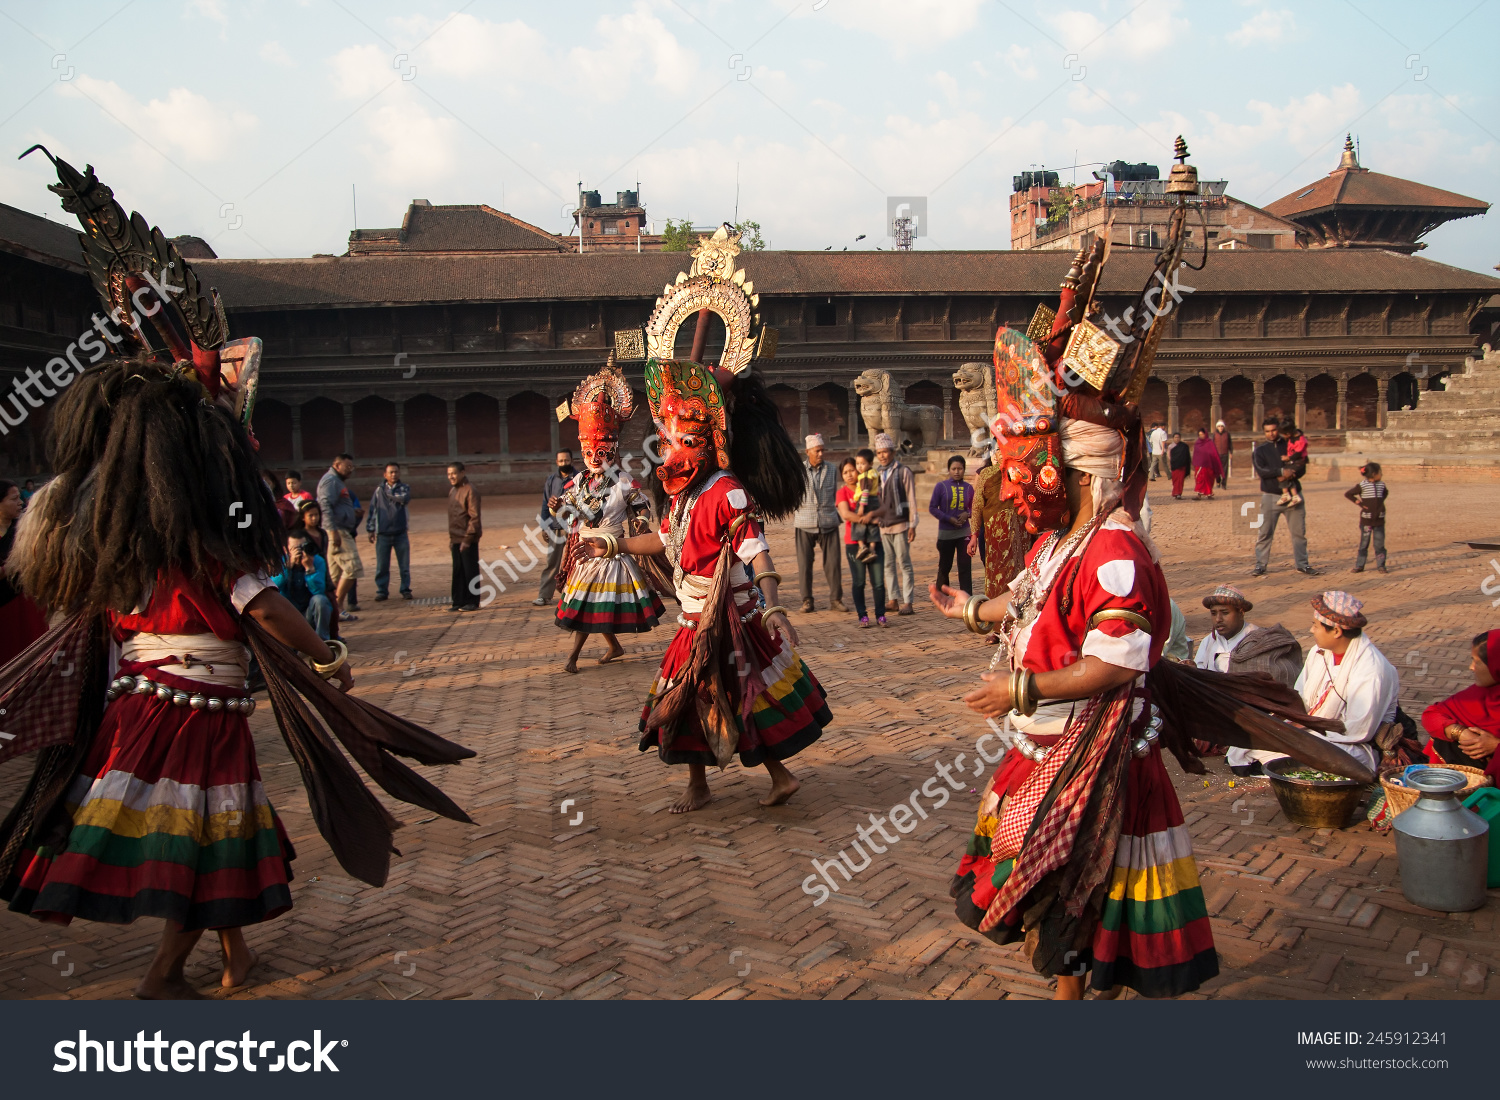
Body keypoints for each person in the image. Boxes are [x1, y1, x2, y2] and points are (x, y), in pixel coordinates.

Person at [0, 152, 473, 1000]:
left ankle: (237, 955)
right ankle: (162, 975)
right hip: (195, 711)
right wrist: (324, 654)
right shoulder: (212, 548)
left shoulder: (127, 544)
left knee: (216, 832)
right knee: (198, 839)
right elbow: (266, 615)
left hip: (145, 703)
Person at [931, 415, 1217, 1000]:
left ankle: (1079, 996)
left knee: (1083, 883)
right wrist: (969, 611)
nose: (1012, 491)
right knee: (1061, 880)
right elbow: (1026, 596)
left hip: (1094, 753)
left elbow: (1117, 662)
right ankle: (1080, 990)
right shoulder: (1062, 541)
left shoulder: (1114, 550)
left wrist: (1018, 689)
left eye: (1028, 475)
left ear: (1080, 478)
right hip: (1048, 748)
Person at [551, 354, 664, 672]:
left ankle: (573, 657)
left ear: (613, 452)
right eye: (588, 453)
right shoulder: (577, 481)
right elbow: (571, 514)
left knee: (588, 608)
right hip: (584, 551)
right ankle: (613, 646)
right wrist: (560, 507)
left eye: (601, 453)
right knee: (595, 608)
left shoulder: (624, 482)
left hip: (611, 553)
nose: (594, 458)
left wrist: (641, 527)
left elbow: (640, 508)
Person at [1194, 584, 1304, 775]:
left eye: (1225, 613)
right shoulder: (1208, 642)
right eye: (1213, 613)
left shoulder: (1257, 641)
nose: (1218, 619)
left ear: (1241, 612)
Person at [1294, 591, 1399, 775]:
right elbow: (1300, 695)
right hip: (1312, 732)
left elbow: (1358, 731)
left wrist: (1306, 732)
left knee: (1313, 751)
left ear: (1336, 631)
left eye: (1315, 625)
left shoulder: (1372, 669)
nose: (1311, 630)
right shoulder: (1317, 653)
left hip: (1353, 746)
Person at [1421, 630, 1500, 781]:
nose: (1471, 667)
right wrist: (1460, 732)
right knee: (1445, 741)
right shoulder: (1479, 695)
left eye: (1477, 662)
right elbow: (1432, 715)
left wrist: (1496, 746)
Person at [1251, 416, 1319, 577]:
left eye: (1274, 430)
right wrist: (1281, 472)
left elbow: (1302, 464)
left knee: (1299, 533)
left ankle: (1302, 564)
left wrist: (1291, 474)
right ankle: (1260, 565)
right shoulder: (1260, 450)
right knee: (1265, 533)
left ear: (1279, 430)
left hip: (1293, 495)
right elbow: (1261, 471)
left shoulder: (1290, 444)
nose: (1271, 434)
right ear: (1264, 432)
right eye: (1267, 431)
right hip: (1270, 496)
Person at [792, 433, 845, 614]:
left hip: (828, 520)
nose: (821, 454)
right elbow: (793, 496)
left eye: (822, 450)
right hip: (804, 521)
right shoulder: (798, 471)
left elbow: (834, 494)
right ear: (808, 452)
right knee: (804, 564)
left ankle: (836, 599)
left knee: (833, 563)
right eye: (817, 451)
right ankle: (807, 600)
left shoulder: (831, 469)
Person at [0, 478, 49, 666]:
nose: (20, 502)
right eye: (13, 499)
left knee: (32, 659)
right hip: (4, 607)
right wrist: (11, 567)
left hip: (28, 603)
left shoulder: (23, 530)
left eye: (20, 497)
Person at [836, 457, 887, 627]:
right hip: (853, 543)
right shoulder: (842, 492)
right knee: (859, 581)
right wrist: (871, 520)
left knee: (878, 581)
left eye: (852, 470)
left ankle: (880, 615)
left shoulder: (870, 488)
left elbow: (883, 508)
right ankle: (862, 616)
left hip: (875, 541)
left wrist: (871, 515)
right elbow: (846, 514)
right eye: (845, 472)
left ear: (858, 470)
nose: (849, 474)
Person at [317, 454, 364, 622]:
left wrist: (352, 513)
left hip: (339, 530)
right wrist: (332, 531)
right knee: (353, 568)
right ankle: (338, 606)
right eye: (347, 466)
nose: (350, 470)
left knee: (334, 575)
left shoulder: (337, 481)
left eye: (352, 467)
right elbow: (324, 506)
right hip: (338, 532)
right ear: (337, 465)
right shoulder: (330, 481)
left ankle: (332, 610)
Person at [875, 433, 918, 615]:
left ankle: (908, 601)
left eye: (885, 452)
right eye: (879, 453)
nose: (883, 456)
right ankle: (893, 599)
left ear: (892, 452)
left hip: (900, 524)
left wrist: (912, 524)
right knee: (888, 564)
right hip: (884, 525)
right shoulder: (876, 474)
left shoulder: (903, 472)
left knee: (904, 564)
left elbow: (911, 498)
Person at [533, 450, 576, 607]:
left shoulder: (579, 478)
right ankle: (544, 595)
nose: (564, 463)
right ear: (557, 462)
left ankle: (574, 596)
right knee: (552, 562)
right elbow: (546, 504)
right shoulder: (552, 480)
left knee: (575, 563)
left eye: (567, 460)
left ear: (572, 460)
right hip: (556, 528)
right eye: (561, 461)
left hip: (574, 528)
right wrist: (544, 527)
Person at [270, 535, 335, 640]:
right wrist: (288, 568)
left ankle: (322, 641)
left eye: (302, 547)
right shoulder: (280, 562)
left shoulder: (316, 560)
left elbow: (318, 591)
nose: (300, 551)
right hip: (287, 614)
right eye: (295, 548)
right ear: (286, 549)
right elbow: (274, 587)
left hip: (308, 613)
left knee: (320, 600)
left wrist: (309, 569)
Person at [367, 462, 413, 600]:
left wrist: (388, 494)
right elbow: (373, 510)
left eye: (396, 472)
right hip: (383, 534)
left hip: (400, 533)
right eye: (391, 472)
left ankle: (405, 589)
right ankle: (382, 591)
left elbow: (404, 498)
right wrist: (370, 529)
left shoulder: (404, 488)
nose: (394, 475)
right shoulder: (378, 491)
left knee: (404, 565)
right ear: (385, 474)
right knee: (382, 566)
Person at [930, 454, 974, 596]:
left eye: (960, 468)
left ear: (964, 469)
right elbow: (932, 508)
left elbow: (975, 508)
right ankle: (942, 594)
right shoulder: (941, 486)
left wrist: (967, 513)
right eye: (954, 468)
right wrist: (948, 519)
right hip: (946, 533)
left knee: (965, 566)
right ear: (949, 470)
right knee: (945, 566)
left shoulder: (969, 488)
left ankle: (967, 595)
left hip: (964, 533)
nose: (957, 471)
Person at [447, 461, 482, 613]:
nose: (451, 477)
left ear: (462, 473)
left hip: (467, 538)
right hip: (456, 538)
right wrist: (452, 540)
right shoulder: (452, 492)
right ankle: (458, 600)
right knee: (458, 571)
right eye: (449, 474)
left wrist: (467, 539)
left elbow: (474, 518)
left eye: (454, 473)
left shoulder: (470, 490)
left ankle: (472, 601)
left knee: (470, 571)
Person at [1345, 461, 1389, 574]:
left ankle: (1381, 565)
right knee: (1364, 544)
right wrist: (1359, 503)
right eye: (1380, 472)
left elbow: (1385, 494)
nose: (1382, 474)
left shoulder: (1381, 485)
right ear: (1374, 474)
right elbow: (1348, 494)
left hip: (1379, 520)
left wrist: (1379, 506)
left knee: (1379, 544)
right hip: (1366, 521)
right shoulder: (1362, 485)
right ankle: (1360, 565)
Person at [849, 448, 882, 564]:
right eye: (857, 463)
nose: (859, 467)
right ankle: (872, 549)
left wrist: (862, 506)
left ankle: (862, 546)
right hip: (874, 500)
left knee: (858, 523)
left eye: (863, 464)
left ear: (870, 463)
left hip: (865, 500)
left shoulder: (864, 476)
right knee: (873, 527)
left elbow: (865, 491)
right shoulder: (874, 473)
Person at [1278, 420, 1308, 507]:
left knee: (1285, 476)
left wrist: (1288, 458)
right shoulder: (1291, 437)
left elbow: (1298, 453)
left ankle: (1288, 495)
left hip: (1299, 463)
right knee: (1286, 476)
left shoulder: (1301, 440)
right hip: (1293, 462)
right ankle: (1293, 496)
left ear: (1288, 433)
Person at [1191, 427, 1223, 500]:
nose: (1201, 436)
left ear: (1206, 434)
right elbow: (1196, 454)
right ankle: (1199, 494)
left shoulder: (1210, 443)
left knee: (1208, 479)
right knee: (1199, 479)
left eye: (1202, 434)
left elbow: (1214, 454)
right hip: (1199, 466)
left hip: (1208, 465)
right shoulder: (1197, 443)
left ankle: (1209, 494)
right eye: (1199, 434)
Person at [1167, 431, 1191, 499]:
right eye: (1175, 437)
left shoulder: (1184, 446)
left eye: (1178, 437)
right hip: (1174, 466)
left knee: (1180, 481)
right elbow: (1169, 456)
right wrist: (1172, 462)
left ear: (1180, 438)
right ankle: (1175, 492)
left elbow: (1187, 456)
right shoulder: (1171, 446)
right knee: (1175, 481)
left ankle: (1179, 493)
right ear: (1173, 438)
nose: (1177, 439)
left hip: (1182, 466)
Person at [1212, 419, 1232, 489]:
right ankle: (1218, 481)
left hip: (1225, 454)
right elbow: (1212, 445)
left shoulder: (1227, 434)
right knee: (1217, 470)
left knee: (1225, 470)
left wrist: (1231, 452)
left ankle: (1224, 484)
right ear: (1217, 427)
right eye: (1219, 426)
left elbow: (1230, 443)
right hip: (1217, 455)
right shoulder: (1214, 434)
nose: (1221, 428)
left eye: (1222, 426)